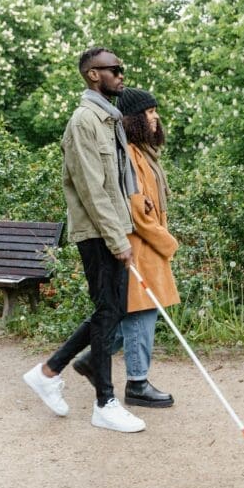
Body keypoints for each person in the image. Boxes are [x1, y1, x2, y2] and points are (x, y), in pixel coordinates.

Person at [22, 46, 145, 433]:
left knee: (110, 311)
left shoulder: (109, 120)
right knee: (108, 310)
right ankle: (104, 402)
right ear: (94, 75)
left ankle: (50, 370)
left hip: (111, 229)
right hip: (96, 232)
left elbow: (114, 187)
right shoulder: (83, 122)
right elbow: (93, 190)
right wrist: (117, 239)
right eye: (115, 70)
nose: (122, 75)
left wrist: (124, 231)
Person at [70, 87, 180, 408]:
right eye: (149, 112)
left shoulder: (145, 152)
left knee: (133, 313)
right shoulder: (130, 154)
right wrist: (168, 242)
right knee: (140, 314)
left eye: (155, 110)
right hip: (139, 244)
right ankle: (137, 383)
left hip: (148, 244)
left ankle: (92, 358)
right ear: (133, 120)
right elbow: (137, 210)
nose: (155, 116)